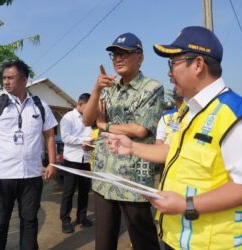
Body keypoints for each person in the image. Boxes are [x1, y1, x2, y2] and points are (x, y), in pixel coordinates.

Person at [103, 26, 242, 249]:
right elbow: (172, 150)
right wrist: (131, 147)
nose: (169, 73)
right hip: (178, 237)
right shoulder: (190, 112)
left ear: (198, 65)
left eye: (173, 63)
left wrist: (186, 204)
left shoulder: (238, 116)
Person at [82, 32, 163, 250]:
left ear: (140, 58)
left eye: (125, 53)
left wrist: (104, 126)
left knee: (143, 240)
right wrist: (97, 89)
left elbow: (139, 128)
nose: (118, 58)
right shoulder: (108, 88)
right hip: (104, 175)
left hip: (132, 177)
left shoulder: (151, 88)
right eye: (115, 54)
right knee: (104, 241)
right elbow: (87, 119)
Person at [0, 60, 57, 250]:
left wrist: (52, 163)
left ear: (24, 80)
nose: (5, 82)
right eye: (4, 78)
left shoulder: (39, 105)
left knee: (29, 221)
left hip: (32, 176)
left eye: (10, 78)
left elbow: (50, 136)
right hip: (2, 177)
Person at [59, 93, 93, 233]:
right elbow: (65, 138)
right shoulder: (68, 118)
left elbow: (92, 135)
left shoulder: (90, 119)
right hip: (72, 160)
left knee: (84, 190)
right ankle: (65, 220)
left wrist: (90, 142)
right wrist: (82, 141)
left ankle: (82, 217)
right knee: (69, 191)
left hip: (85, 159)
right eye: (88, 106)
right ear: (80, 104)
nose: (90, 109)